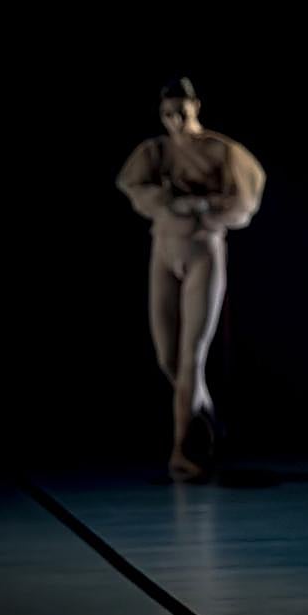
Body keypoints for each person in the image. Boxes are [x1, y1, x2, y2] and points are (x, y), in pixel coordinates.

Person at [116, 76, 265, 482]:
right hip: (164, 251)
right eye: (167, 114)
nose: (175, 121)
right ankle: (208, 422)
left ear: (196, 105)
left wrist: (202, 205)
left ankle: (185, 452)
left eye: (181, 111)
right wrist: (168, 201)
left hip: (203, 252)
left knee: (191, 357)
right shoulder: (155, 151)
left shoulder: (220, 150)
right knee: (169, 358)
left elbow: (243, 201)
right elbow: (136, 188)